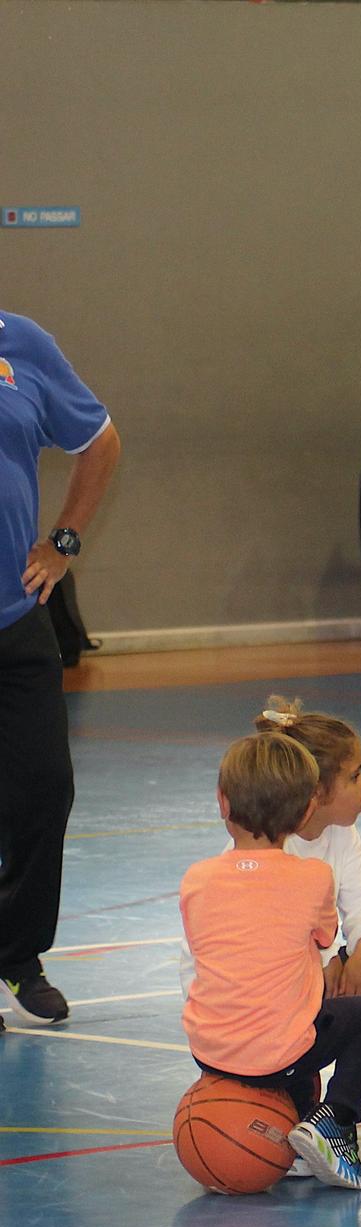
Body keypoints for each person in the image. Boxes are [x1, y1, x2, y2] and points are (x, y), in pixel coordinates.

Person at [181, 731, 361, 1190]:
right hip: (278, 1053)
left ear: (222, 802)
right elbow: (323, 937)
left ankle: (288, 1117)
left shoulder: (196, 879)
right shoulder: (313, 876)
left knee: (287, 1014)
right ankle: (335, 1121)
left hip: (209, 1050)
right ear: (304, 809)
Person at [0, 307, 120, 1030]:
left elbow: (99, 442)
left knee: (45, 786)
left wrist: (64, 540)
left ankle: (17, 955)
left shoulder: (22, 343)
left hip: (16, 617)